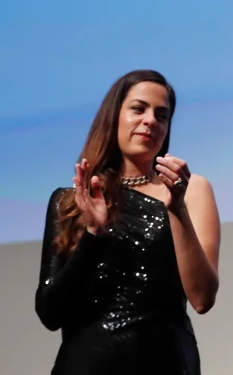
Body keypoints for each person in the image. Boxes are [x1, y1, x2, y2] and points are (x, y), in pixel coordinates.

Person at [35, 69, 221, 375]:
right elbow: (50, 314)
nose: (150, 120)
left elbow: (202, 298)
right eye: (138, 108)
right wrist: (94, 234)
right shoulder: (70, 201)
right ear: (114, 117)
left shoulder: (190, 190)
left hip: (165, 362)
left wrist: (176, 209)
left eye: (162, 115)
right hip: (86, 365)